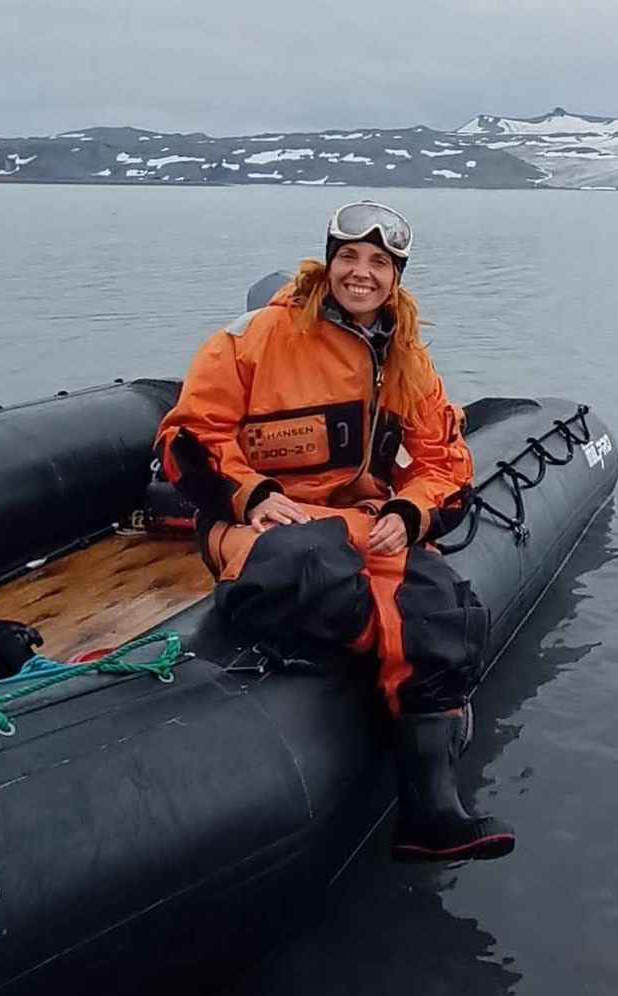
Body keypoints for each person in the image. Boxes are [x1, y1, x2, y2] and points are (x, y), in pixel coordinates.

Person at [154, 201, 513, 862]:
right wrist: (250, 493)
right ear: (329, 262)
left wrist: (409, 513)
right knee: (300, 571)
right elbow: (188, 438)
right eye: (350, 257)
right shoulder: (255, 337)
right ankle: (394, 674)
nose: (362, 272)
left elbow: (444, 466)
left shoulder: (407, 360)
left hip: (360, 521)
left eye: (379, 262)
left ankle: (430, 816)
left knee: (445, 610)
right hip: (260, 517)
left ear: (395, 277)